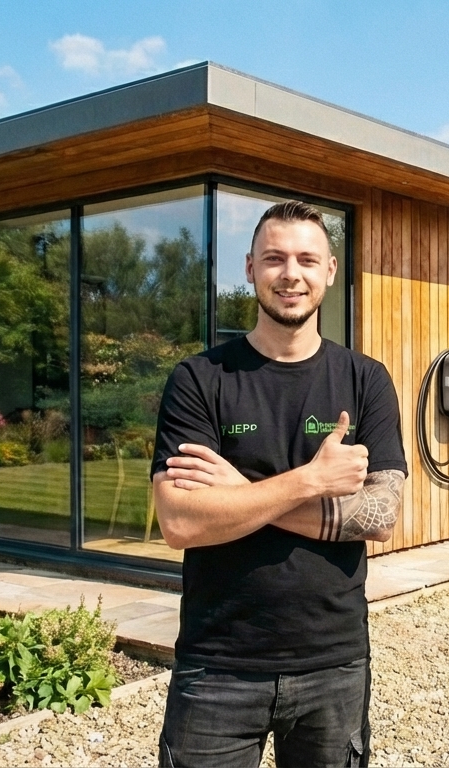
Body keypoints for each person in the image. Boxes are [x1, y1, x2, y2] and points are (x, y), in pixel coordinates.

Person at [151, 200, 406, 768]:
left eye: (307, 260)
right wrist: (312, 481)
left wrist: (237, 491)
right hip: (218, 663)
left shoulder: (365, 379)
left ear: (330, 271)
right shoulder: (200, 379)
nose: (291, 274)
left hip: (334, 660)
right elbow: (180, 522)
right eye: (274, 258)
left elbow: (382, 515)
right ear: (249, 268)